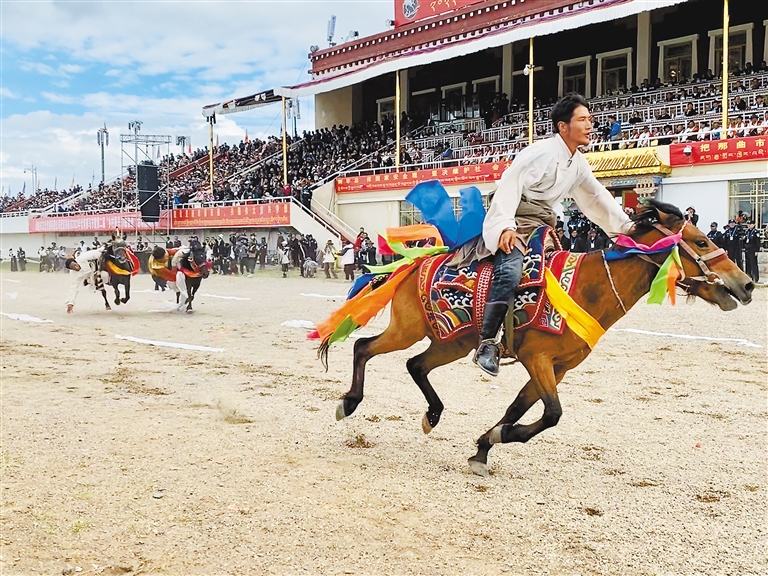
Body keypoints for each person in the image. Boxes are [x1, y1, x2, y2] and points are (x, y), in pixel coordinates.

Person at [475, 93, 633, 376]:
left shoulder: (578, 163)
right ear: (563, 126)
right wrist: (505, 226)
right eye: (582, 120)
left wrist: (627, 229)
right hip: (515, 215)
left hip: (542, 222)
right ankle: (488, 343)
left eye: (590, 119)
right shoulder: (541, 153)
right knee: (511, 270)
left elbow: (596, 197)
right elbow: (509, 187)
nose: (590, 125)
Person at [64, 247, 110, 313]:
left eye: (74, 265)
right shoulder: (74, 274)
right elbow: (74, 288)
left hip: (98, 266)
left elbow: (96, 253)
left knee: (105, 274)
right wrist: (70, 303)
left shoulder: (82, 258)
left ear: (76, 262)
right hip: (90, 278)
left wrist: (104, 256)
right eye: (72, 268)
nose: (75, 268)